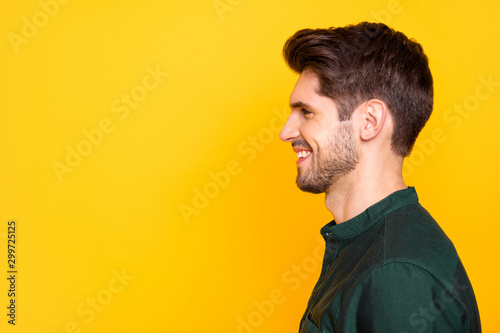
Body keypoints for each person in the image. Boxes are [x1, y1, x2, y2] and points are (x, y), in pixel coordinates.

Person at [279, 22, 481, 332]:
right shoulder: (363, 243)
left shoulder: (396, 275)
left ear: (369, 122)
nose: (286, 132)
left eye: (306, 111)